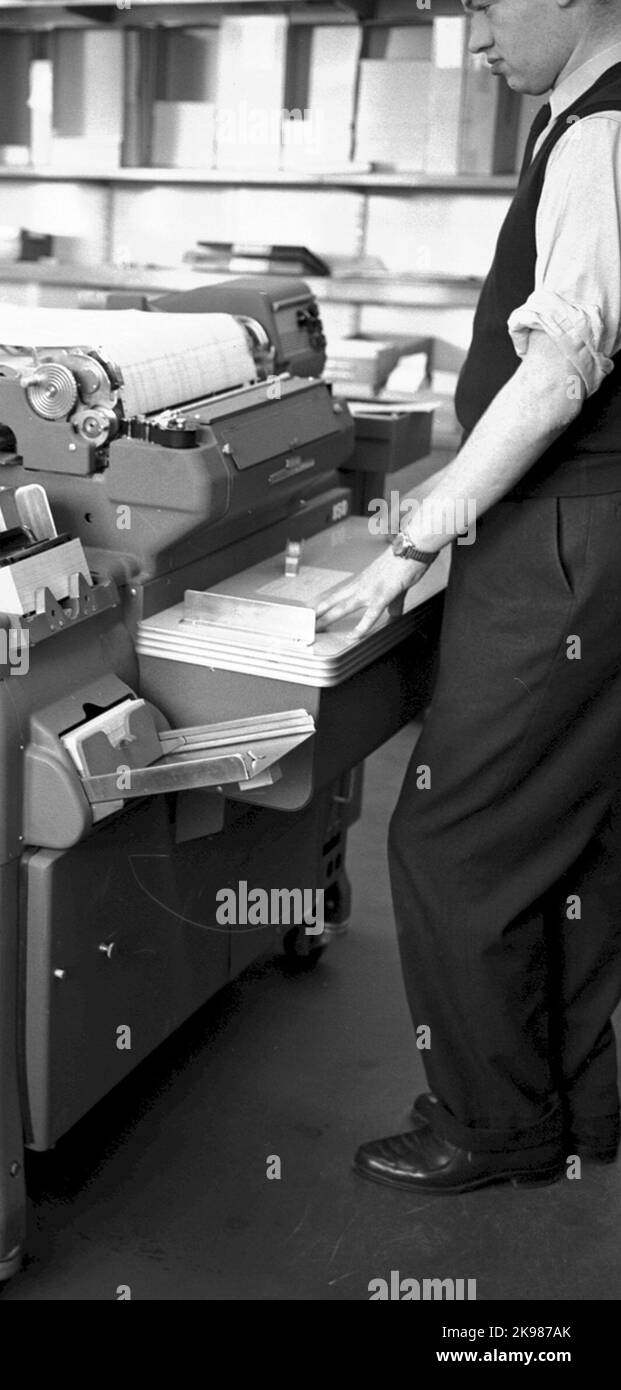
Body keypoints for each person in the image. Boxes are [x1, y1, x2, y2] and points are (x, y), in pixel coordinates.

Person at [314, 0, 621, 1192]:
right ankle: (582, 1103)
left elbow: (560, 370)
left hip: (562, 543)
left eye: (490, 5)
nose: (475, 36)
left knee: (453, 839)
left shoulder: (603, 132)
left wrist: (407, 548)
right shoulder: (570, 118)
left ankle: (491, 1124)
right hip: (580, 534)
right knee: (578, 838)